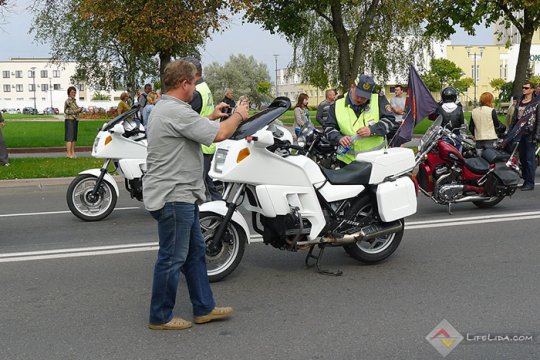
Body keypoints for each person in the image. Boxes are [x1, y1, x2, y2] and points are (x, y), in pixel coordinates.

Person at [144, 59, 249, 330]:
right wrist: (239, 114)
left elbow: (189, 127)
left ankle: (204, 308)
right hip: (174, 195)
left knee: (194, 252)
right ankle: (160, 316)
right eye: (195, 82)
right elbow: (222, 135)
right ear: (184, 84)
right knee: (172, 256)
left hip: (179, 194)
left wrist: (211, 117)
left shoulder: (166, 107)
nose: (196, 87)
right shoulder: (176, 111)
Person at [325, 74, 396, 166]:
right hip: (347, 161)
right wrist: (339, 138)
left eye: (365, 97)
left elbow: (389, 120)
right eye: (358, 94)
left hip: (376, 159)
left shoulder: (378, 99)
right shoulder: (337, 105)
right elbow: (329, 128)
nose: (360, 99)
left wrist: (372, 130)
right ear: (352, 87)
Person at [184, 56, 223, 201]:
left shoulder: (195, 92)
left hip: (201, 144)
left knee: (202, 186)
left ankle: (216, 213)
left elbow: (187, 120)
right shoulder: (203, 87)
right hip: (207, 141)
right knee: (207, 183)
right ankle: (220, 206)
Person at [508, 81, 540, 191]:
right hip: (519, 133)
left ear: (532, 90)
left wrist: (537, 135)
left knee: (529, 159)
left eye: (526, 88)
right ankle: (526, 180)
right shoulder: (520, 101)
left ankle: (530, 183)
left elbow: (539, 121)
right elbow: (515, 119)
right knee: (522, 158)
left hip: (530, 134)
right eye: (523, 87)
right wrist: (510, 131)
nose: (524, 89)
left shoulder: (536, 103)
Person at [470, 92, 506, 156]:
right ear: (489, 100)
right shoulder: (491, 110)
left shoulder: (474, 111)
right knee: (490, 159)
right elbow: (497, 125)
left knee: (480, 160)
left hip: (479, 139)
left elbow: (471, 127)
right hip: (490, 139)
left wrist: (475, 135)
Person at [64, 86, 83, 159]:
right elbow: (66, 111)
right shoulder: (68, 101)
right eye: (72, 92)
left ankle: (73, 152)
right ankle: (68, 153)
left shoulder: (74, 101)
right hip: (69, 120)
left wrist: (80, 110)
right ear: (68, 93)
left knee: (74, 137)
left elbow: (75, 109)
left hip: (75, 120)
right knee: (69, 137)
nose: (74, 93)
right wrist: (76, 111)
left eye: (75, 92)